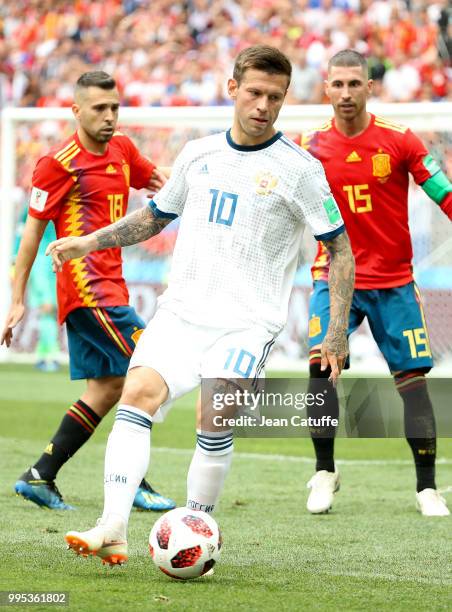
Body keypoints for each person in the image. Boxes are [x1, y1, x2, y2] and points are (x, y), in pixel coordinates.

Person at [47, 45, 355, 566]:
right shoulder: (198, 153)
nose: (263, 105)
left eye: (274, 97)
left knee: (215, 412)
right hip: (183, 310)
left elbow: (341, 248)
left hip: (247, 323)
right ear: (232, 88)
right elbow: (153, 218)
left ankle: (194, 525)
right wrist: (89, 241)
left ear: (284, 100)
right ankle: (113, 526)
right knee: (138, 392)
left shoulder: (301, 169)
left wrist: (338, 331)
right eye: (254, 92)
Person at [1, 71, 175, 513]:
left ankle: (40, 475)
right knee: (150, 368)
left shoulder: (122, 149)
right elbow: (30, 234)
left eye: (114, 107)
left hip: (110, 287)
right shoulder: (57, 164)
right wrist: (17, 298)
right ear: (76, 111)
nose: (110, 116)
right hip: (87, 289)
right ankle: (132, 479)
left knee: (109, 387)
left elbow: (162, 181)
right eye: (99, 108)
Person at [302, 49, 452, 517]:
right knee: (319, 370)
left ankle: (427, 487)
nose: (345, 93)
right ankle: (324, 470)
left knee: (411, 382)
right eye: (337, 84)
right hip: (333, 276)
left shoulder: (401, 140)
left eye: (354, 84)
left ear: (370, 87)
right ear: (326, 88)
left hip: (394, 281)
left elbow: (443, 192)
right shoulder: (307, 147)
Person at [13, 205, 60, 372]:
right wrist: (14, 260)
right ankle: (49, 356)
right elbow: (21, 234)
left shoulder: (61, 199)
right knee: (47, 309)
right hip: (41, 261)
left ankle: (45, 355)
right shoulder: (31, 206)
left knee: (49, 311)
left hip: (56, 260)